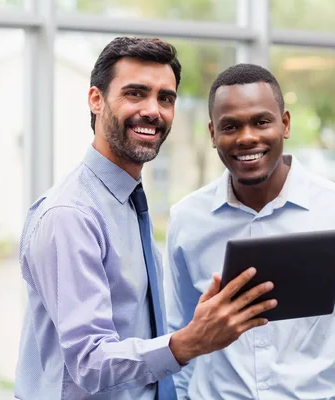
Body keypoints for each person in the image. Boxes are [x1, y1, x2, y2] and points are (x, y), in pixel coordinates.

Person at [14, 38, 277, 400]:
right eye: (135, 94)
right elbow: (89, 361)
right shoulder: (70, 216)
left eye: (165, 98)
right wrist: (187, 343)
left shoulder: (127, 201)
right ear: (96, 100)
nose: (154, 110)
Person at [165, 63, 335, 399]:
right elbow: (180, 335)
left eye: (261, 121)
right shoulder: (187, 220)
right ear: (212, 134)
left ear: (284, 124)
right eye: (230, 126)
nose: (247, 137)